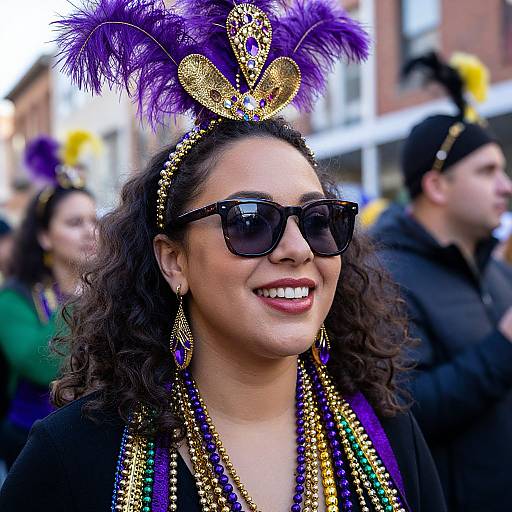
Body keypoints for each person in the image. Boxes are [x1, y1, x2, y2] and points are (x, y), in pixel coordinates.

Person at [0, 1, 445, 510]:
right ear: (174, 261)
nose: (298, 250)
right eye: (250, 221)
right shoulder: (75, 457)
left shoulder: (387, 430)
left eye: (319, 220)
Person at [372, 52, 512, 511]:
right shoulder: (385, 278)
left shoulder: (496, 270)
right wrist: (504, 346)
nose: (506, 186)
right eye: (487, 171)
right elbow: (404, 414)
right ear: (436, 186)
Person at [0, 133, 97, 469]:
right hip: (30, 446)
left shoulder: (110, 293)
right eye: (74, 222)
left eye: (93, 221)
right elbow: (40, 364)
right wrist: (80, 293)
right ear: (44, 236)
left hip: (94, 440)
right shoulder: (15, 297)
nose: (90, 232)